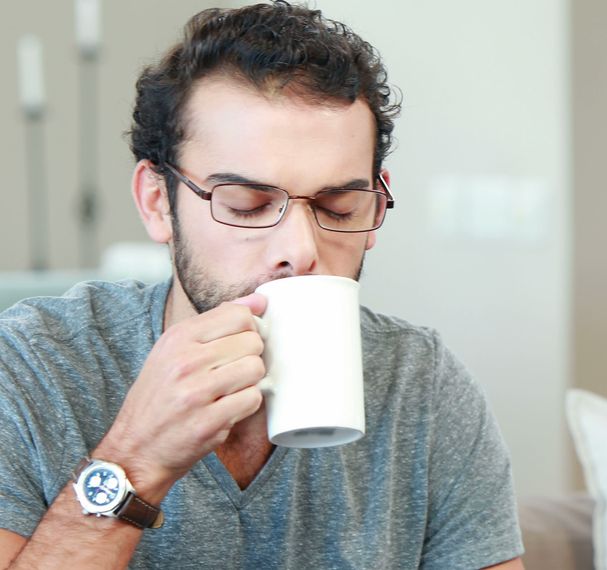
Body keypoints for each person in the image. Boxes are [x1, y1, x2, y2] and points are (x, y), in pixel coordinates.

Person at [0, 2, 524, 568]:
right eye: (247, 206)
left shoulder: (422, 386)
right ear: (158, 203)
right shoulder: (32, 368)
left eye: (338, 207)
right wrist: (137, 457)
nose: (300, 251)